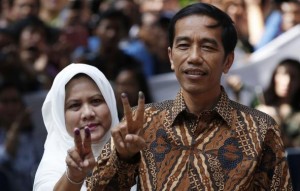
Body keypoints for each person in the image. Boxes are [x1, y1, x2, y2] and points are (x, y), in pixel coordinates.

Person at [87, 2, 293, 190]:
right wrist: (123, 157)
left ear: (228, 61)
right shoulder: (142, 123)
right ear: (170, 57)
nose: (194, 57)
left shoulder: (261, 130)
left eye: (207, 46)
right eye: (184, 46)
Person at [33, 63, 119, 191]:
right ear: (60, 116)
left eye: (96, 101)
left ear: (110, 103)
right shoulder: (52, 167)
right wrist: (73, 177)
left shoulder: (132, 150)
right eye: (75, 105)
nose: (88, 113)